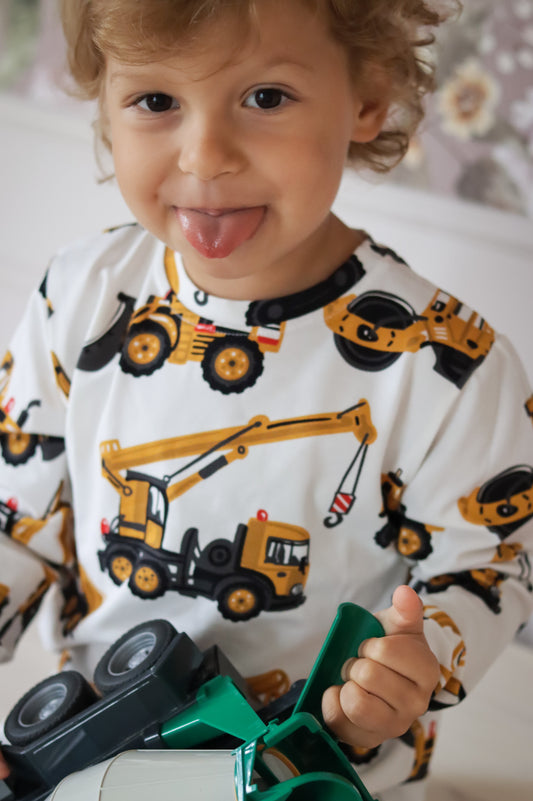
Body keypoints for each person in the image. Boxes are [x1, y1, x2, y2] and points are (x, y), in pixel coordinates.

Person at [0, 1, 532, 798]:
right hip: (104, 755)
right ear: (106, 102)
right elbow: (18, 522)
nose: (205, 155)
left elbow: (488, 561)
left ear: (365, 96)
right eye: (155, 101)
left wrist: (418, 662)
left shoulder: (443, 357)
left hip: (324, 768)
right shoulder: (80, 296)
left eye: (265, 97)